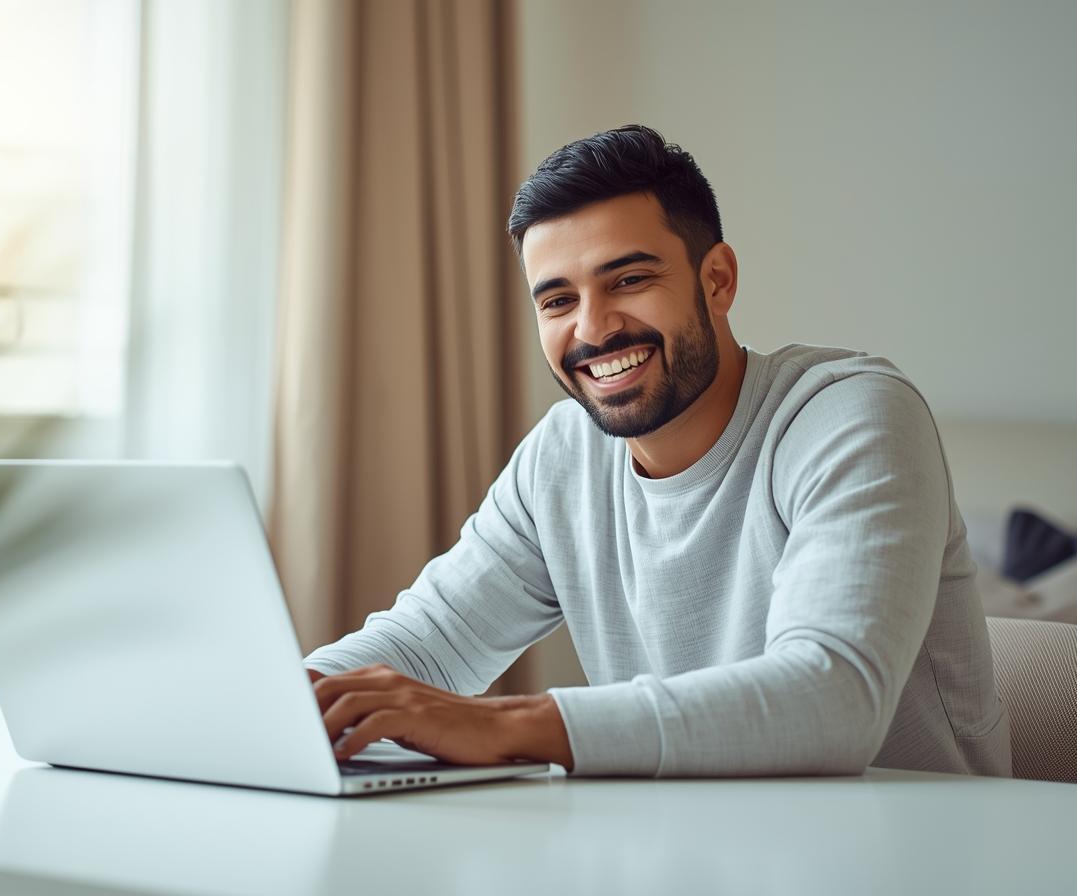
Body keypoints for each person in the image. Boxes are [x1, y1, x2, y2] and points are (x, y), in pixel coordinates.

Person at [304, 125, 1011, 778]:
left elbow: (834, 698)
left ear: (718, 280)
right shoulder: (564, 457)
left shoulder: (849, 416)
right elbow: (429, 643)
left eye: (629, 280)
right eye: (556, 301)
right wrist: (279, 700)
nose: (595, 328)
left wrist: (510, 724)